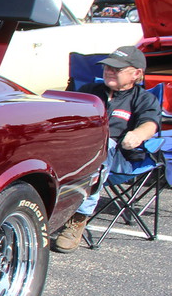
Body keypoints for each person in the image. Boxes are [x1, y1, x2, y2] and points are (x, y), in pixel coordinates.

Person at [52, 45, 161, 253]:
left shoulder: (144, 99)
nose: (109, 71)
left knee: (104, 146)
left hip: (118, 156)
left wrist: (137, 135)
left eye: (117, 69)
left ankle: (78, 217)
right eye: (107, 67)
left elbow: (150, 124)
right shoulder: (89, 91)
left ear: (136, 74)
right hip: (78, 150)